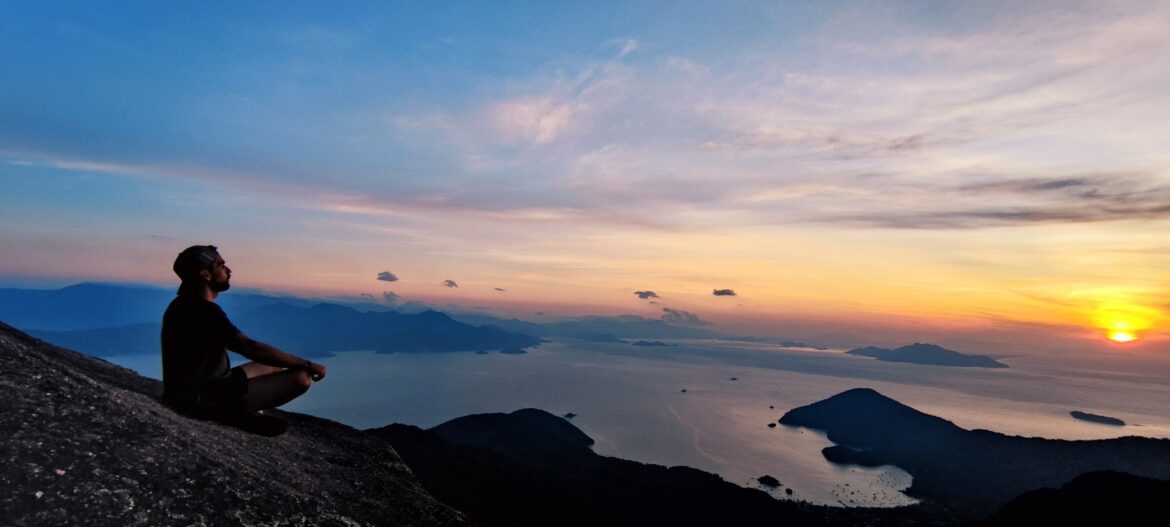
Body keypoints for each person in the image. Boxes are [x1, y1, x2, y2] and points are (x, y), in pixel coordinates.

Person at [161, 245, 327, 435]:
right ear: (206, 274)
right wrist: (307, 364)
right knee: (301, 378)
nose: (228, 271)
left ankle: (244, 410)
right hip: (203, 399)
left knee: (271, 367)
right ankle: (236, 414)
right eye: (221, 265)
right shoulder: (204, 311)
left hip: (192, 391)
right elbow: (250, 347)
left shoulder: (181, 304)